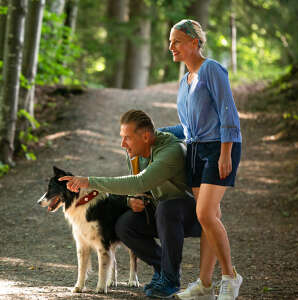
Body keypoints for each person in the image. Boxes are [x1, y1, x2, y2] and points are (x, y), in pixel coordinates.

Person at [59, 109, 204, 298]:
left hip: (192, 213)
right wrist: (130, 200)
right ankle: (163, 268)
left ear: (145, 136)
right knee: (124, 225)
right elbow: (137, 189)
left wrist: (89, 181)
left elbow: (140, 182)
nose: (122, 144)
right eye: (122, 137)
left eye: (127, 138)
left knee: (167, 208)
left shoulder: (171, 151)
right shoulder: (136, 152)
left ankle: (170, 279)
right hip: (161, 210)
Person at [159, 19, 243, 300]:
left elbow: (228, 113)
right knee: (210, 218)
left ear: (195, 42)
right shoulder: (185, 81)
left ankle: (230, 278)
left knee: (205, 213)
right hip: (195, 151)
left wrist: (226, 152)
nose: (171, 46)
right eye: (170, 41)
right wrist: (157, 134)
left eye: (177, 41)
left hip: (219, 147)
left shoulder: (212, 70)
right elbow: (187, 127)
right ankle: (205, 285)